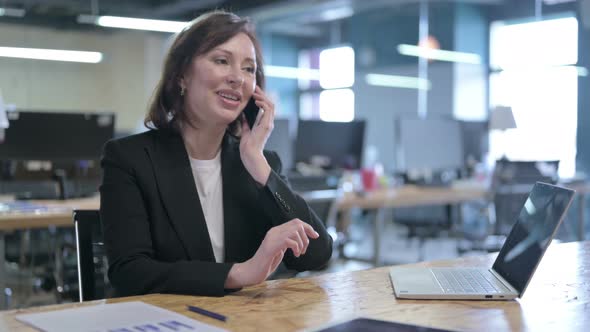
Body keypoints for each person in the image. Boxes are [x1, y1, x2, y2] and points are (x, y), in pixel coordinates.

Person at [100, 10, 333, 297]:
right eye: (222, 61)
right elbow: (129, 272)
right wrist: (240, 273)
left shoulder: (260, 163)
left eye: (249, 69)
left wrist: (258, 165)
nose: (238, 78)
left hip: (243, 323)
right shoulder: (130, 158)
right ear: (182, 74)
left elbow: (317, 255)